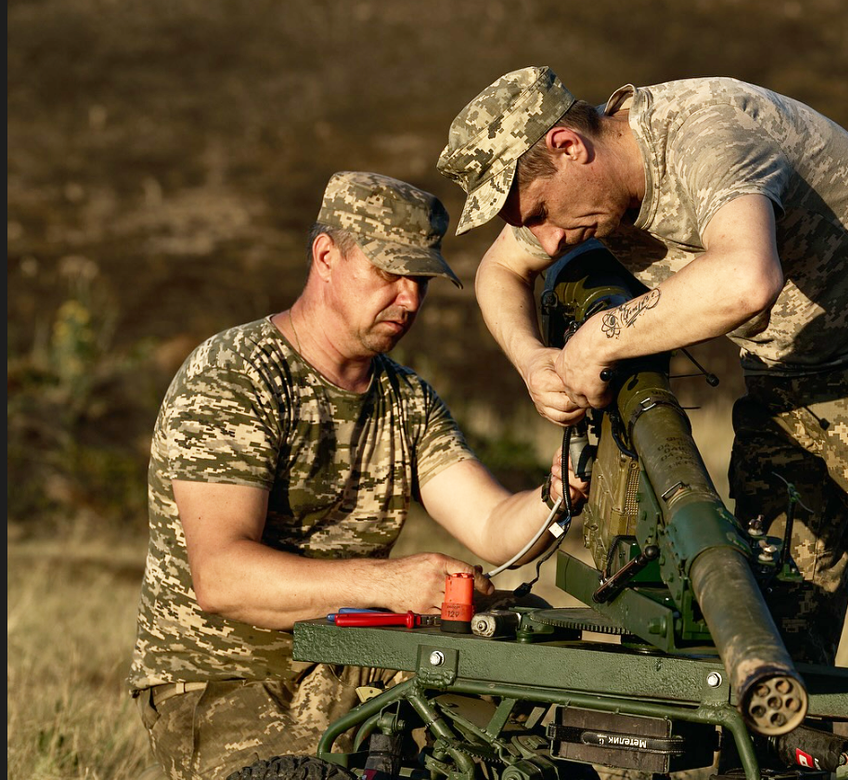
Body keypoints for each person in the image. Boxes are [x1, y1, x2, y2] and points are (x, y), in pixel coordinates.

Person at [437, 66, 848, 779]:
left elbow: (748, 280)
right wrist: (535, 363)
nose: (549, 241)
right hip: (789, 381)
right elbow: (499, 273)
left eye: (538, 213)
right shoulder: (581, 194)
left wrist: (598, 340)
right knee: (768, 622)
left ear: (568, 146)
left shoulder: (706, 137)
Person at [127, 171, 586, 780]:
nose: (409, 300)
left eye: (421, 281)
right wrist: (390, 583)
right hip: (227, 676)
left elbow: (495, 526)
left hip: (357, 661)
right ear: (326, 256)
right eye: (389, 273)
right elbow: (222, 578)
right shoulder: (234, 375)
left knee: (515, 715)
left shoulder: (406, 399)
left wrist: (556, 496)